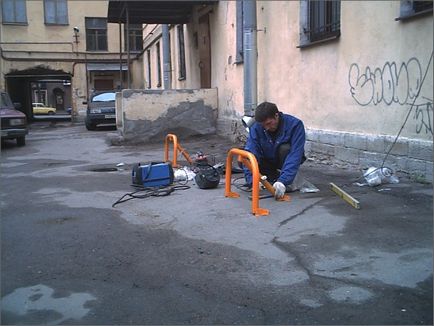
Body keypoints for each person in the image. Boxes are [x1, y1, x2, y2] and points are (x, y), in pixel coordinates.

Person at [243, 101, 306, 199]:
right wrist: (252, 181)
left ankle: (281, 177)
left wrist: (283, 181)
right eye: (263, 125)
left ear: (276, 115)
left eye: (269, 123)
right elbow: (251, 152)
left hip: (282, 162)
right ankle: (269, 177)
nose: (266, 128)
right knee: (243, 156)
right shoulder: (256, 126)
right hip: (266, 162)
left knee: (285, 149)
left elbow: (295, 155)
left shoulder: (295, 125)